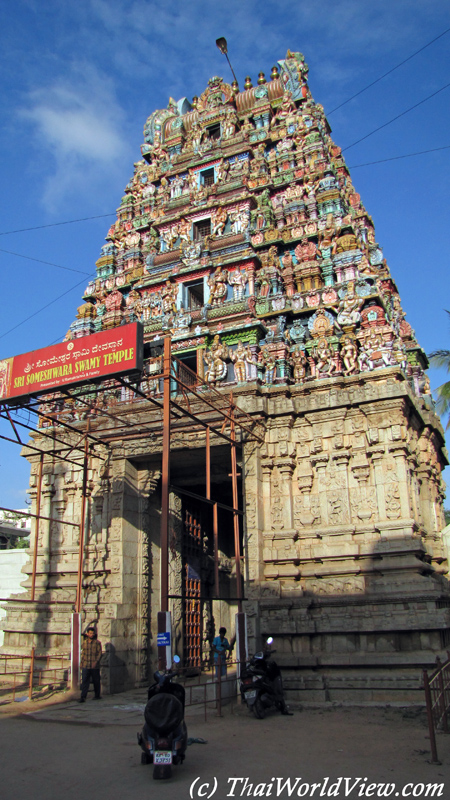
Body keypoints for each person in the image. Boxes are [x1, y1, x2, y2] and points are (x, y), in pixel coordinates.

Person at [79, 627, 102, 702]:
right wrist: (81, 663)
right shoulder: (84, 643)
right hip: (86, 664)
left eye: (93, 633)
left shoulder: (97, 643)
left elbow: (99, 653)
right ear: (87, 634)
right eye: (90, 633)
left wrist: (96, 662)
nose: (91, 635)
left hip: (94, 665)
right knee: (85, 681)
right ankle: (83, 696)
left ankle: (97, 695)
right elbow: (83, 653)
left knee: (96, 680)